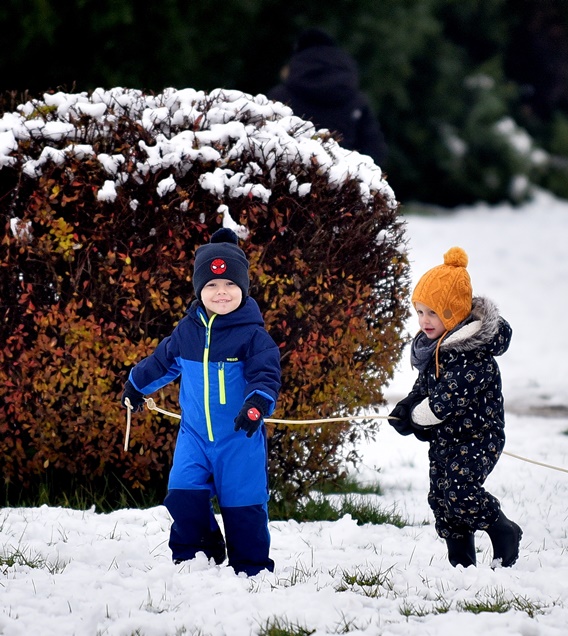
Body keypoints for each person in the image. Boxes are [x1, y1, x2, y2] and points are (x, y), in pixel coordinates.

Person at [119, 228, 282, 576]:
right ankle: (196, 554)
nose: (221, 293)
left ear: (243, 289)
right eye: (211, 286)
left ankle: (251, 570)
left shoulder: (253, 335)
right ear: (199, 290)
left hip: (240, 438)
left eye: (229, 286)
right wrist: (136, 386)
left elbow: (265, 376)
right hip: (194, 435)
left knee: (244, 507)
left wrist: (256, 405)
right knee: (182, 494)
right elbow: (161, 363)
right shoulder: (187, 331)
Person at [388, 246, 522, 568]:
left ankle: (503, 530)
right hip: (446, 439)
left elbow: (448, 398)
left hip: (478, 437)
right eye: (419, 312)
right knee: (442, 499)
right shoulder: (438, 348)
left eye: (432, 313)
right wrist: (407, 405)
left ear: (452, 314)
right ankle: (461, 563)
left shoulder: (473, 355)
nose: (423, 321)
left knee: (461, 491)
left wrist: (419, 417)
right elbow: (426, 386)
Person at [268, 27, 388, 166]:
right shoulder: (356, 101)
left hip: (286, 179)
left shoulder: (280, 96)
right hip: (342, 181)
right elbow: (375, 149)